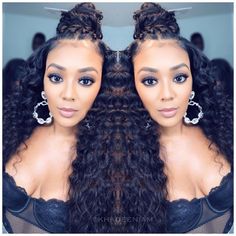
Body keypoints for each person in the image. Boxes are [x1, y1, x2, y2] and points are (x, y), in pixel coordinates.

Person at [3, 3, 114, 233]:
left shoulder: (109, 156)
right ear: (41, 79)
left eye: (85, 80)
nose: (68, 94)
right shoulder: (12, 129)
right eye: (56, 77)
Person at [124, 3, 233, 233]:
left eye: (179, 77)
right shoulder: (125, 157)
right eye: (150, 80)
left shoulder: (223, 128)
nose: (167, 94)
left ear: (193, 79)